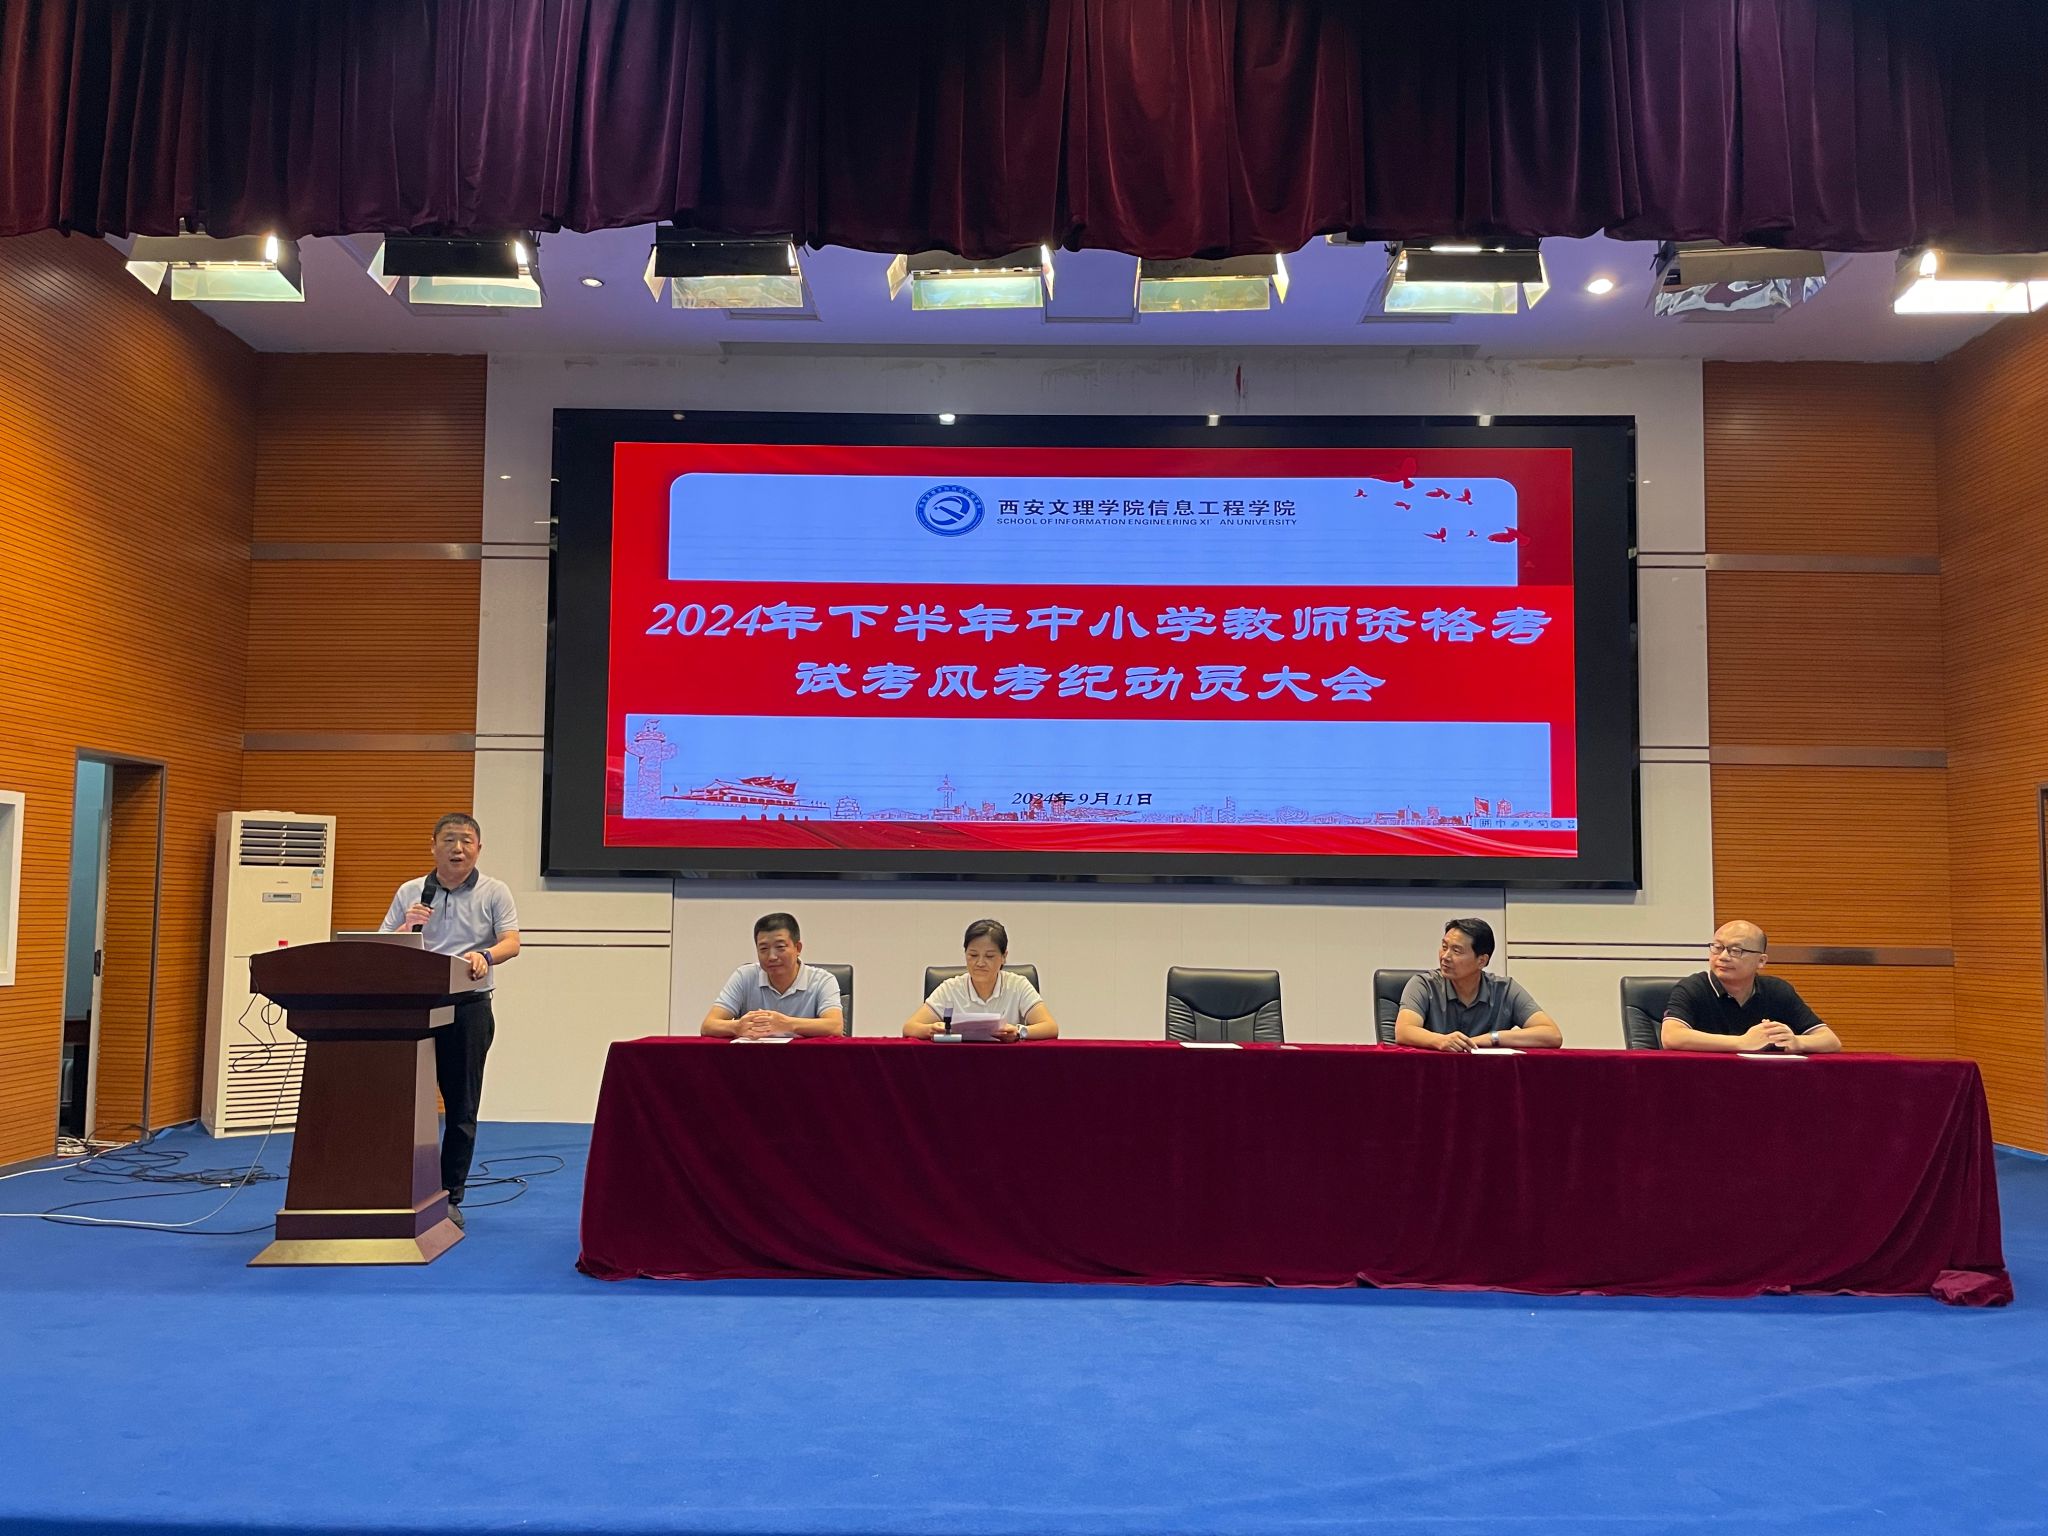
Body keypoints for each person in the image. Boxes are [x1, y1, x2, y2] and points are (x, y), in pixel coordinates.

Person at [377, 813, 520, 1229]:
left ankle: (450, 1195)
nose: (458, 848)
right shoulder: (411, 891)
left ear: (479, 848)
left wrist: (486, 955)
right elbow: (383, 947)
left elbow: (512, 942)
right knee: (403, 1101)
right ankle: (399, 1187)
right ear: (433, 846)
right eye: (449, 840)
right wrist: (407, 927)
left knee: (461, 1105)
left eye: (467, 841)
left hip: (468, 1006)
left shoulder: (494, 891)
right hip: (416, 1006)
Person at [1661, 920, 1843, 1054]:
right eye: (1717, 947)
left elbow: (1830, 1041)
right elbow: (1671, 1037)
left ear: (1761, 961)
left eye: (1736, 951)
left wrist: (1797, 1041)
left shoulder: (1777, 990)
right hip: (1705, 1080)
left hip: (1763, 1081)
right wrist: (1742, 1042)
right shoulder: (1693, 987)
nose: (1723, 957)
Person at [1394, 917, 1563, 1052]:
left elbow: (1552, 1035)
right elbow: (1403, 1031)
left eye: (1456, 951)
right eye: (1444, 947)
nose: (1445, 956)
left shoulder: (1505, 990)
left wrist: (1491, 1038)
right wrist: (1441, 1041)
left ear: (1482, 961)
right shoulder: (1423, 985)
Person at [903, 918, 1058, 1041]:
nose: (980, 963)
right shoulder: (950, 988)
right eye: (973, 955)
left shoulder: (1018, 985)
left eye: (989, 956)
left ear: (1004, 957)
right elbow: (909, 1028)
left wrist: (1019, 1032)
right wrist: (931, 1030)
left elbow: (1050, 1027)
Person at [702, 912, 845, 1038]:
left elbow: (835, 1027)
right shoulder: (744, 976)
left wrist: (787, 1024)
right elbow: (708, 1026)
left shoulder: (823, 980)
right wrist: (737, 1027)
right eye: (763, 949)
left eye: (780, 947)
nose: (771, 957)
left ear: (798, 948)